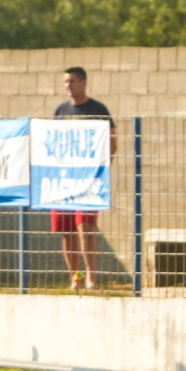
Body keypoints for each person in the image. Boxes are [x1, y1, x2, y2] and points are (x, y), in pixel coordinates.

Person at [52, 66, 117, 289]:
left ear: (84, 83)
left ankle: (91, 278)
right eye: (65, 82)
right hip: (63, 182)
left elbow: (112, 141)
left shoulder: (98, 109)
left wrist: (98, 172)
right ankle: (75, 278)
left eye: (72, 81)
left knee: (86, 227)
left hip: (88, 181)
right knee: (67, 231)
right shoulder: (60, 111)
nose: (68, 86)